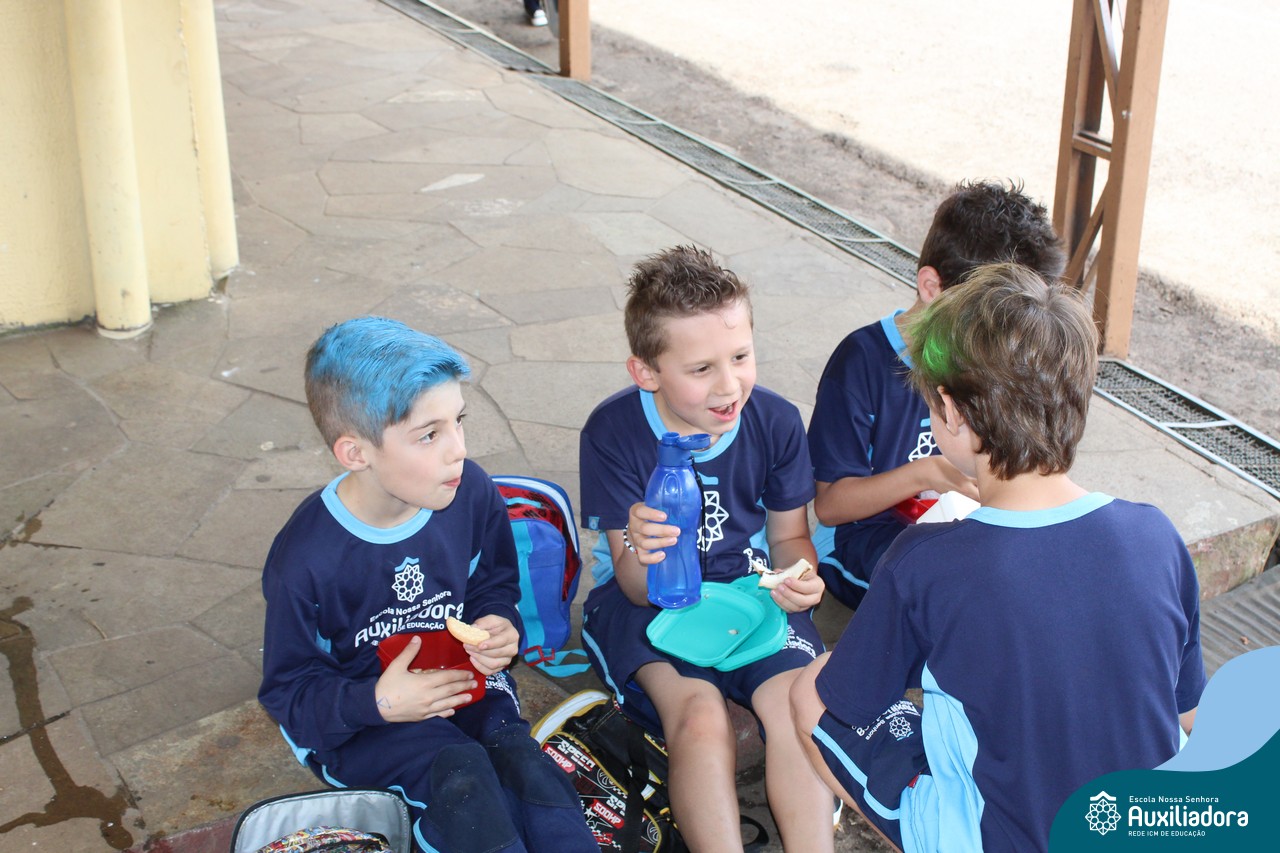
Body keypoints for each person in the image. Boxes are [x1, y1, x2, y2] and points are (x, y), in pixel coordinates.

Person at [791, 264, 1205, 853]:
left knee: (810, 688)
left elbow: (849, 699)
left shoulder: (925, 560)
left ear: (953, 413)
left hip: (1000, 839)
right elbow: (1188, 714)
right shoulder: (1154, 534)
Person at [258, 317, 596, 853]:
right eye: (429, 435)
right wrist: (377, 703)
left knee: (526, 767)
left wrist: (498, 624)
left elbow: (493, 584)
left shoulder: (471, 493)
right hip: (366, 719)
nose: (457, 449)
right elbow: (288, 690)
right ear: (356, 453)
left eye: (458, 421)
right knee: (464, 783)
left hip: (464, 684)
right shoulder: (306, 560)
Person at [578, 245, 836, 852]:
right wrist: (644, 550)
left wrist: (800, 576)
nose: (729, 385)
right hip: (648, 603)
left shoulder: (775, 421)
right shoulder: (614, 432)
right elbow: (633, 584)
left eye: (741, 356)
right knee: (698, 717)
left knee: (797, 705)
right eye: (701, 369)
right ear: (646, 372)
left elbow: (788, 536)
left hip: (750, 593)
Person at [807, 179, 1067, 609]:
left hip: (957, 528)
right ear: (932, 287)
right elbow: (831, 507)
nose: (1007, 338)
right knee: (962, 592)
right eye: (989, 319)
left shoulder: (994, 357)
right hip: (861, 542)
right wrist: (927, 473)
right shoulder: (861, 362)